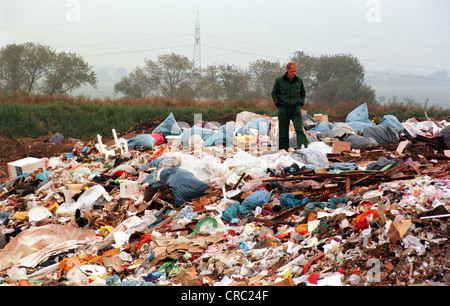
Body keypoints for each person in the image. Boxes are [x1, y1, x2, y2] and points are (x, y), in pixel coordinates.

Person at [271, 61, 308, 151]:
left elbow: (303, 93)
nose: (294, 73)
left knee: (299, 129)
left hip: (296, 108)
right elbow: (274, 93)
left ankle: (303, 149)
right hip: (283, 108)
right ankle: (283, 150)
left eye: (295, 71)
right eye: (292, 71)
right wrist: (278, 104)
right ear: (287, 70)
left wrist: (301, 103)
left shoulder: (299, 80)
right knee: (283, 131)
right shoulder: (279, 81)